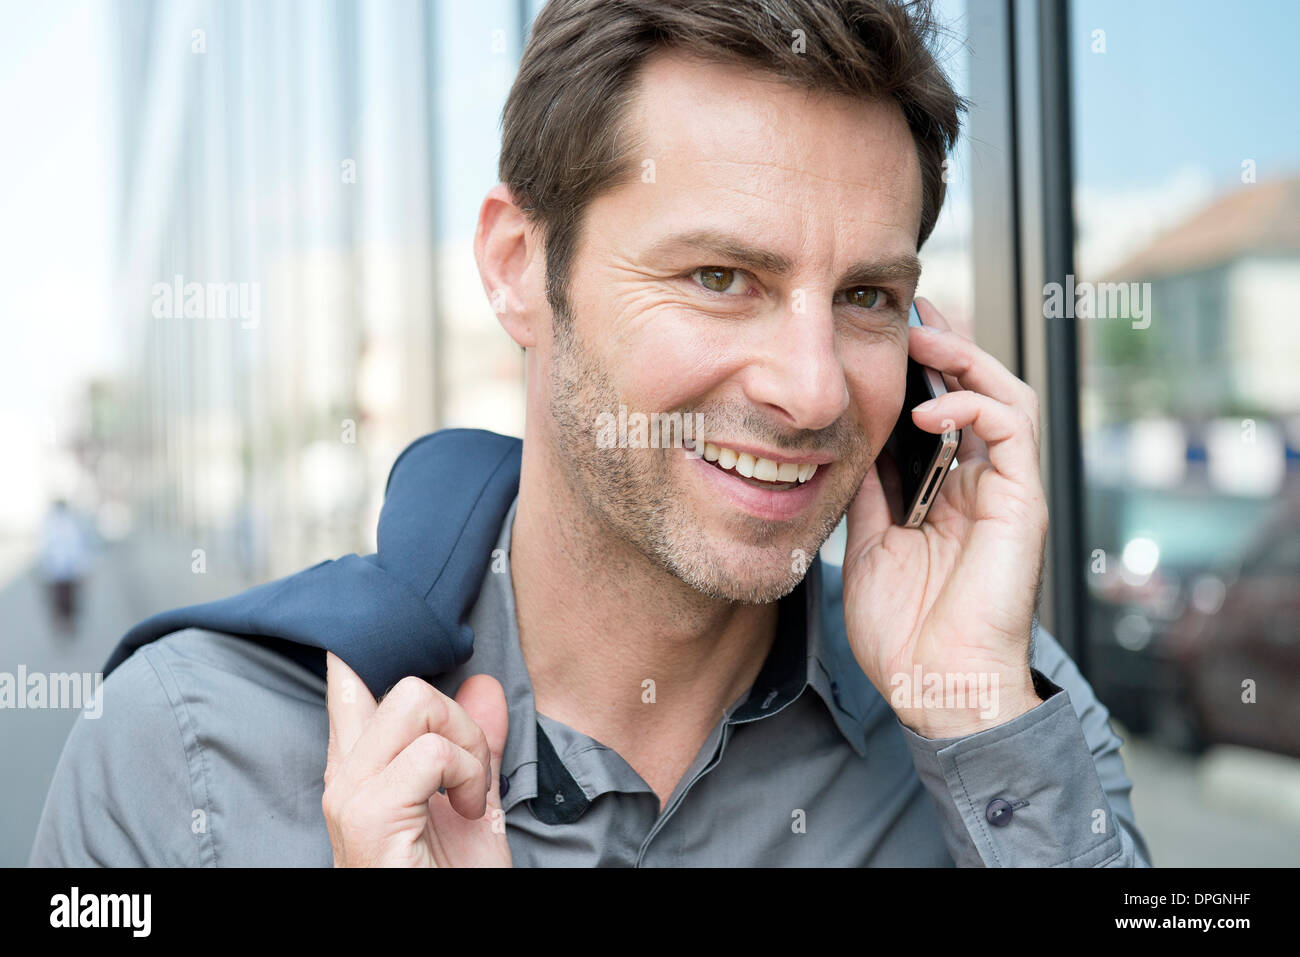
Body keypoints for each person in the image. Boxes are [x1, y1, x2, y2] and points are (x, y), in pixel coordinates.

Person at [31, 0, 1151, 867]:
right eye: (721, 277)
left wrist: (978, 713)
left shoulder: (1004, 711)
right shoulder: (185, 747)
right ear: (520, 269)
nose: (813, 392)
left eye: (864, 297)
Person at [38, 500, 91, 635]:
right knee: (59, 598)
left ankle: (68, 623)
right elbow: (46, 547)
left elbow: (77, 546)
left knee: (68, 598)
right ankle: (62, 624)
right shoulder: (52, 523)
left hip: (68, 569)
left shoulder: (69, 522)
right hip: (58, 569)